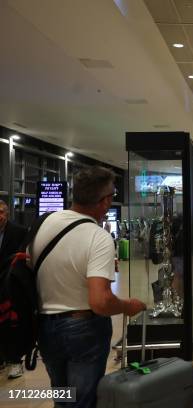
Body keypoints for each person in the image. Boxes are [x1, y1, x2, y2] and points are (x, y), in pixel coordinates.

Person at [30, 166, 146, 408]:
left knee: (63, 399)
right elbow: (100, 301)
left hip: (45, 326)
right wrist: (128, 306)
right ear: (104, 202)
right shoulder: (97, 236)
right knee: (83, 401)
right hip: (83, 328)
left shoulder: (45, 223)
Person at [0, 199, 28, 378]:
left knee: (12, 325)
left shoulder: (19, 232)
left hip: (10, 287)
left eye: (1, 212)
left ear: (7, 214)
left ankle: (15, 361)